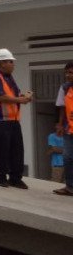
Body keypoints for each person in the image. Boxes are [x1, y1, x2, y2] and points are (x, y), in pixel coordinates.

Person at [0, 49, 32, 189]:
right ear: (1, 63)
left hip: (12, 120)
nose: (13, 64)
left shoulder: (9, 78)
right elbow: (0, 97)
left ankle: (15, 178)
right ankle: (1, 177)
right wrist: (21, 100)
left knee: (17, 150)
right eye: (10, 61)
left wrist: (23, 97)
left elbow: (11, 96)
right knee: (2, 150)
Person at [53, 61, 73, 196]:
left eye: (71, 72)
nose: (68, 75)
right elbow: (61, 107)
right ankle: (70, 187)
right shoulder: (65, 88)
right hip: (69, 129)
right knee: (67, 157)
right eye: (66, 72)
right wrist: (60, 124)